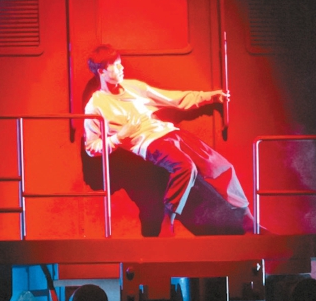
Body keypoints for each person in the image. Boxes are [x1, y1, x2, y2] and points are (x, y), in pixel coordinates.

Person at [83, 44, 253, 235]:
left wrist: (208, 97)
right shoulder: (95, 105)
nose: (122, 68)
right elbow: (91, 147)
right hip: (149, 143)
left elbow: (173, 99)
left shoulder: (133, 87)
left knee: (222, 167)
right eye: (116, 65)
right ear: (102, 71)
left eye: (120, 63)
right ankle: (167, 220)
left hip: (171, 133)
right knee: (185, 166)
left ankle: (249, 222)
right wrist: (120, 137)